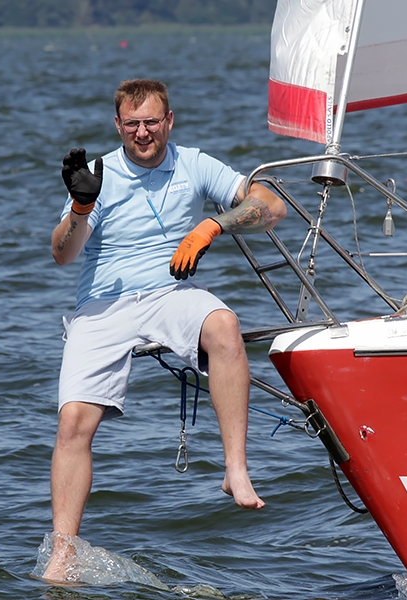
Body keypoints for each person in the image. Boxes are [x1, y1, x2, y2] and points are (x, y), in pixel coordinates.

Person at [43, 79, 286, 581]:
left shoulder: (193, 163)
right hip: (102, 303)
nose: (142, 132)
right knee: (72, 424)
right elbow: (62, 254)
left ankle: (235, 469)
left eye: (152, 121)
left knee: (224, 324)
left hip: (169, 294)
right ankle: (62, 553)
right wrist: (82, 207)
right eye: (131, 124)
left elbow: (271, 205)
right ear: (118, 126)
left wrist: (214, 225)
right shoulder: (98, 174)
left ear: (169, 121)